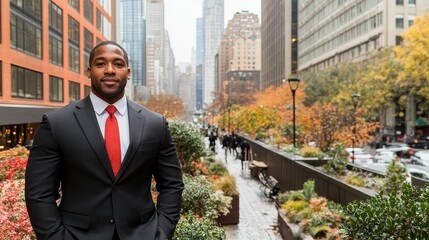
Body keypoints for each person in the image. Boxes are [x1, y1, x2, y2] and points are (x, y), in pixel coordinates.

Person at [25, 41, 184, 240]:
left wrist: (161, 232)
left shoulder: (155, 124)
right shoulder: (56, 124)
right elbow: (38, 193)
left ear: (128, 72)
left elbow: (172, 185)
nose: (109, 70)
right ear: (89, 71)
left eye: (117, 64)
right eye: (101, 64)